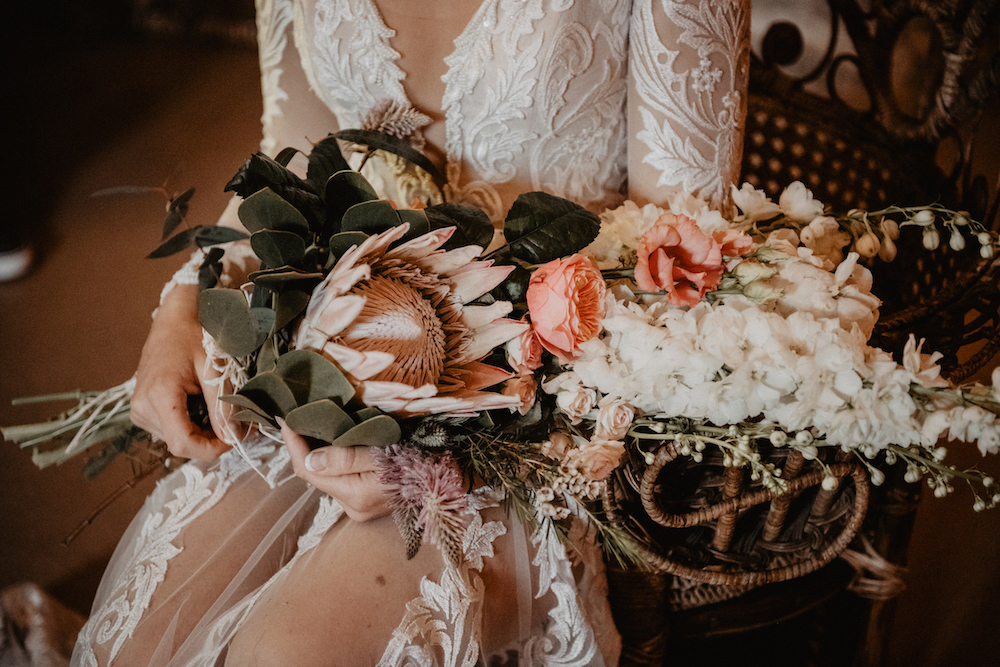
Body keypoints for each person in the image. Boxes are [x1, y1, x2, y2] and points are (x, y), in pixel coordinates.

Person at [73, 1, 750, 665]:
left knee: (287, 655)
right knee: (133, 643)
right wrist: (188, 297)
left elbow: (685, 263)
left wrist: (439, 436)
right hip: (331, 361)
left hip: (537, 425)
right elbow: (298, 154)